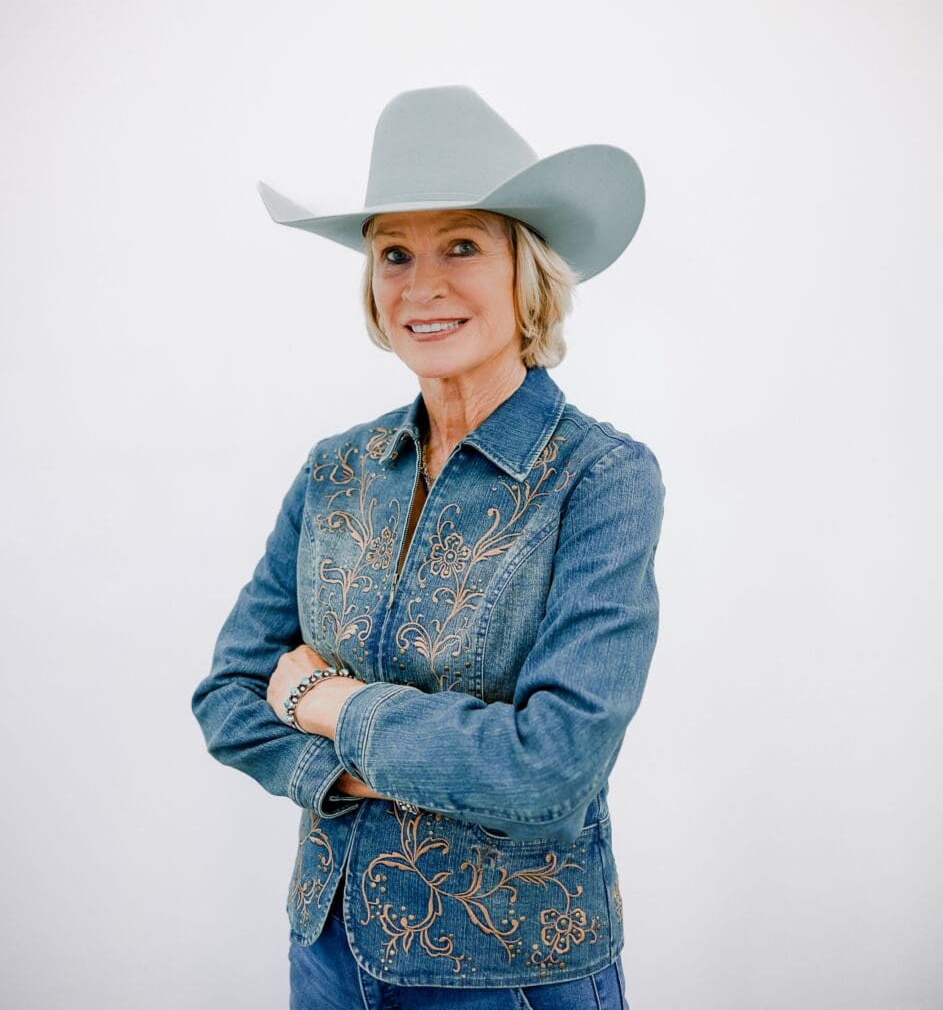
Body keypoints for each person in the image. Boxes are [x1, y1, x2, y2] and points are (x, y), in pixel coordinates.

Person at [191, 84, 665, 1009]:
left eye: (461, 246)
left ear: (525, 273)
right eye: (392, 254)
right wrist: (368, 760)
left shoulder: (600, 479)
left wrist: (327, 700)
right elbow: (227, 696)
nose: (422, 285)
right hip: (326, 950)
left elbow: (551, 768)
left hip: (512, 970)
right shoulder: (336, 471)